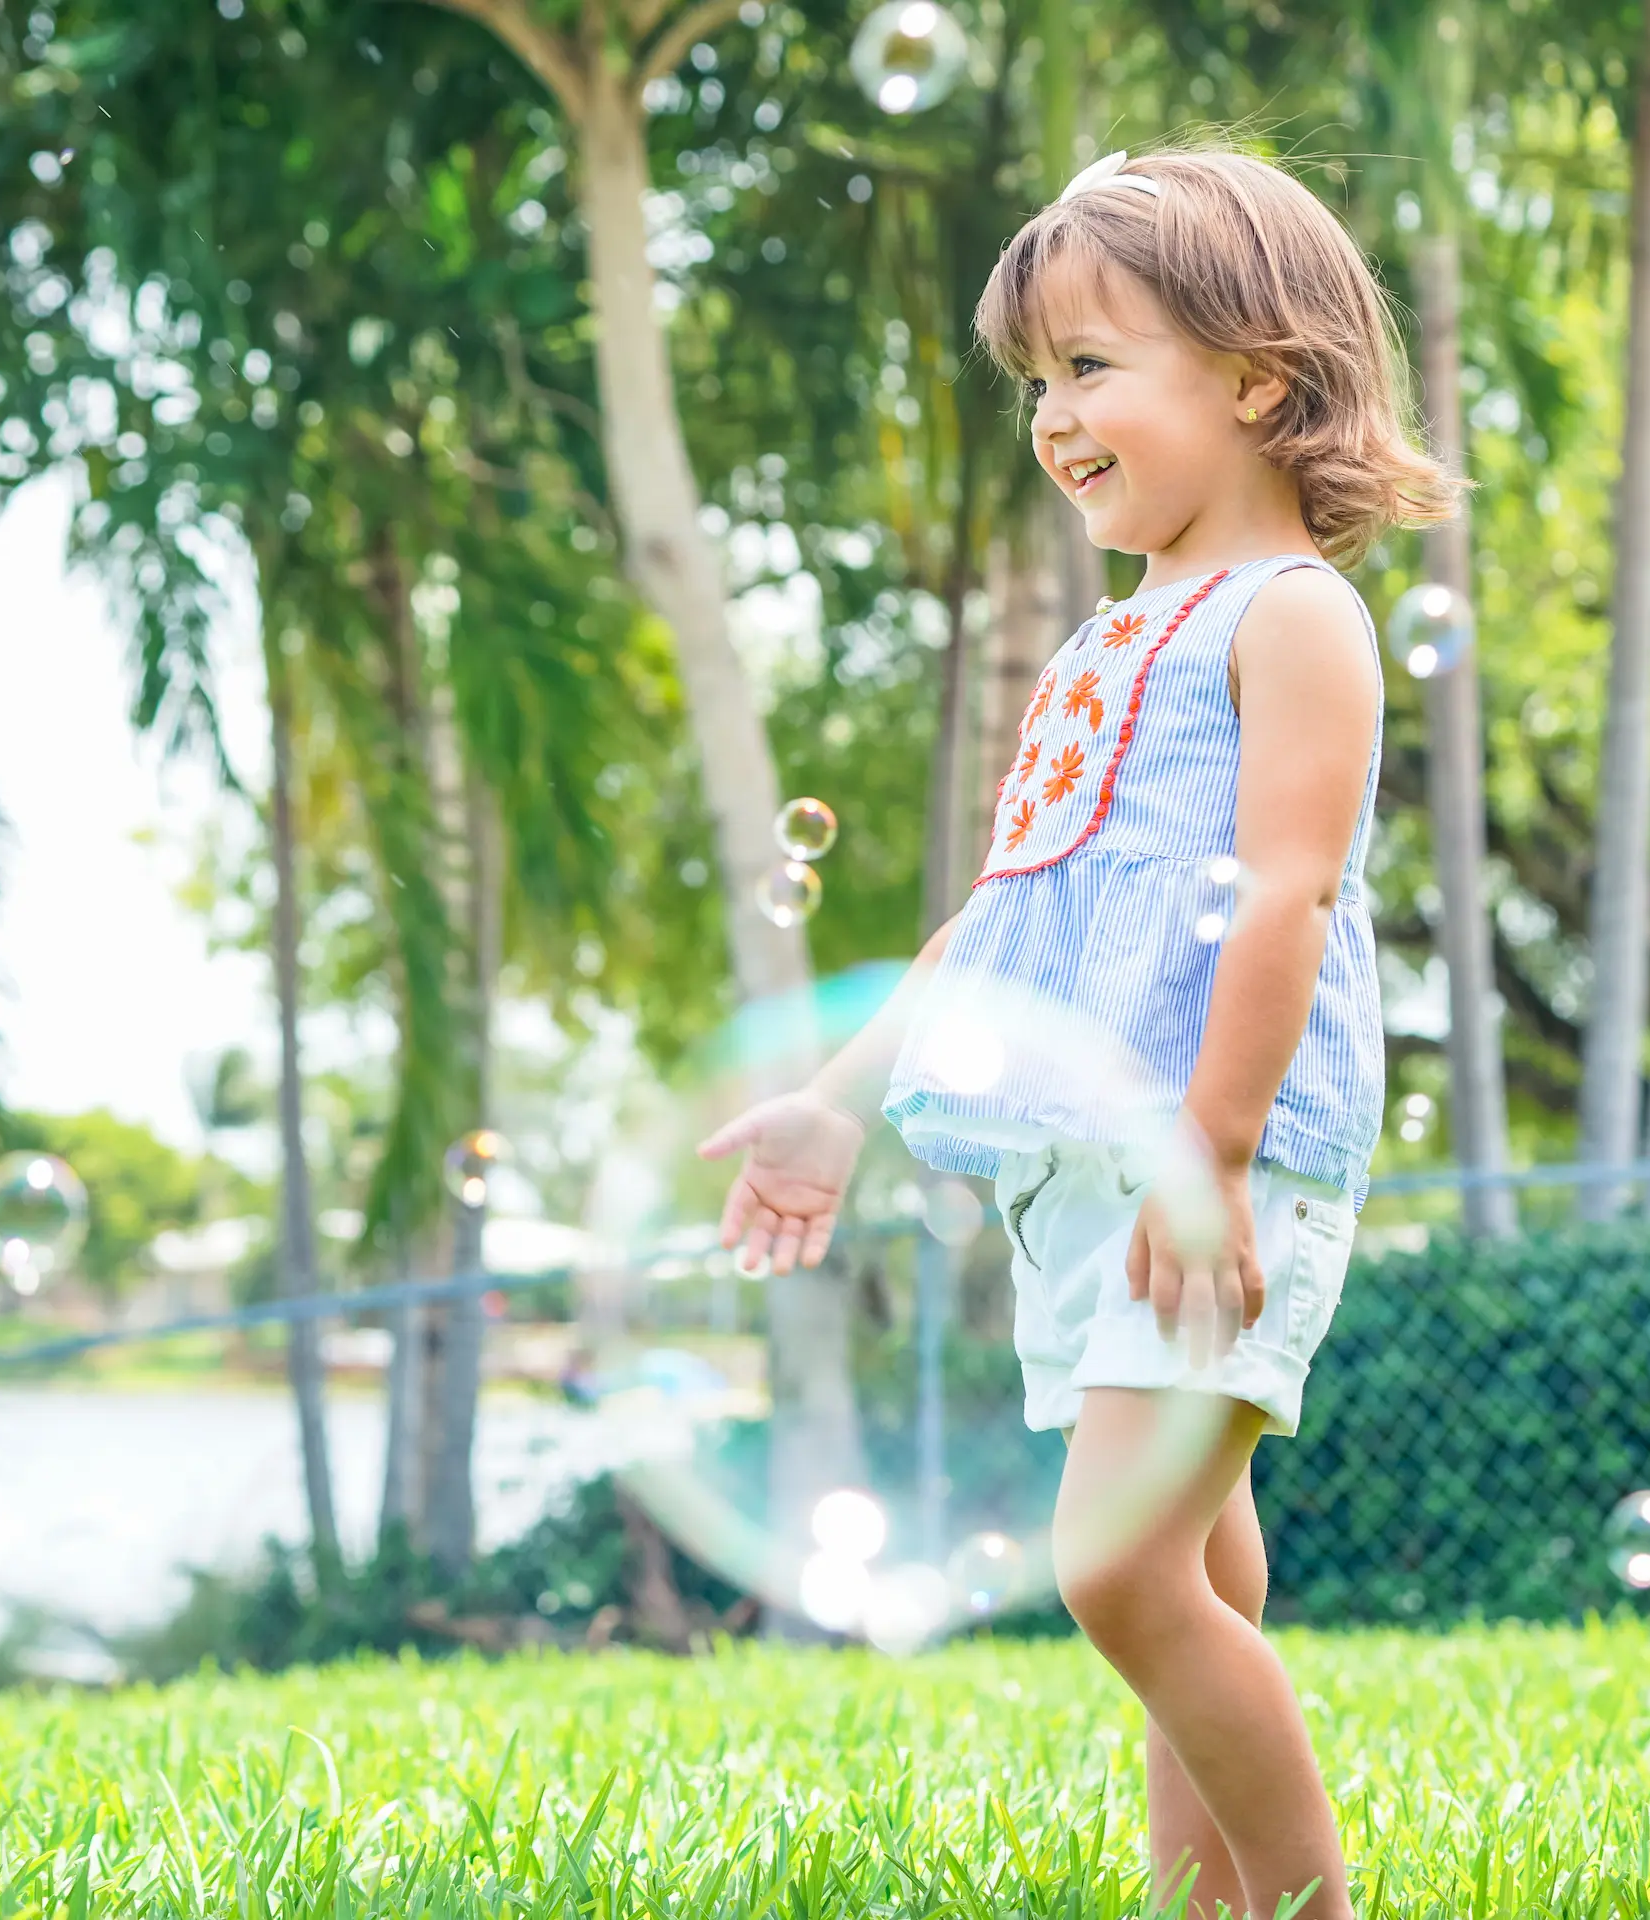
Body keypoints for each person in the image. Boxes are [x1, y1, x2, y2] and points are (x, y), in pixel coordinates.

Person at [696, 144, 1454, 1920]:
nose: (1054, 417)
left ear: (1258, 378)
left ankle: (1312, 1905)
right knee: (1194, 1567)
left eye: (1092, 367)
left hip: (1204, 1149)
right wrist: (833, 1101)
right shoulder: (1113, 639)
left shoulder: (1295, 617)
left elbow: (1281, 899)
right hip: (1085, 1169)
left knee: (1119, 1575)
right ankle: (1208, 1907)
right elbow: (1006, 914)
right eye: (1038, 383)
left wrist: (1217, 1152)